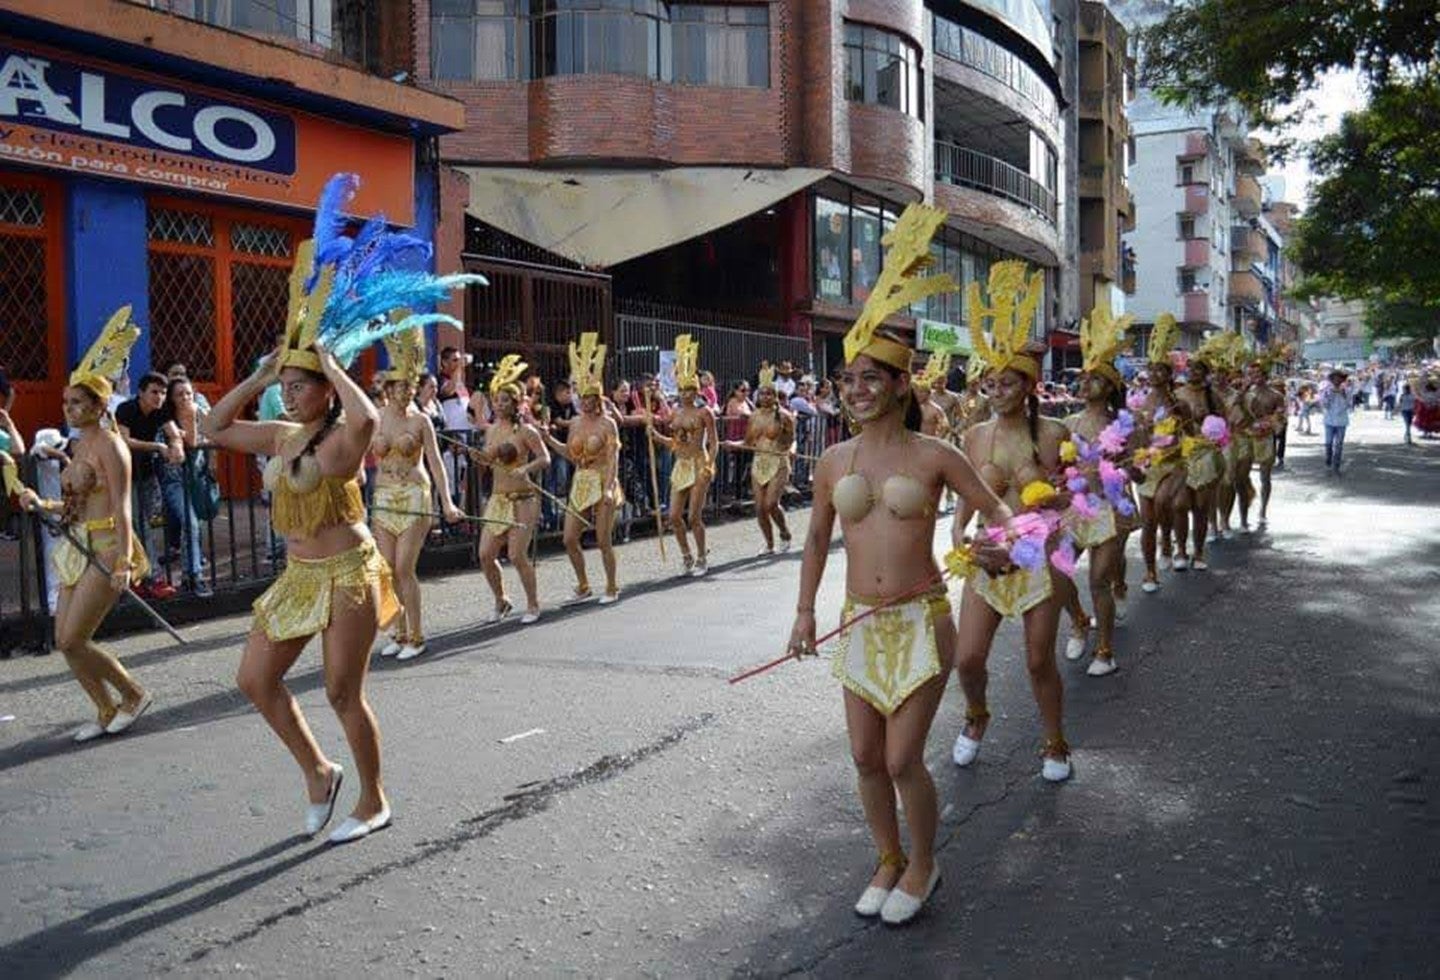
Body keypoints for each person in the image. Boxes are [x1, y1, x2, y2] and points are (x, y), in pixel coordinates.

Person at [199, 175, 477, 843]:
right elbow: (212, 427)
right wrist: (259, 377)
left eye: (302, 386)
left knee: (342, 692)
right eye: (288, 386)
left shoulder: (345, 438)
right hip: (299, 577)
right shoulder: (279, 434)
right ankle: (320, 773)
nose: (292, 395)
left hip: (350, 574)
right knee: (255, 679)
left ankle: (374, 799)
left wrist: (331, 363)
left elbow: (366, 417)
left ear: (326, 388)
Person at [786, 204, 1012, 926]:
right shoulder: (833, 460)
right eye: (846, 378)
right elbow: (816, 541)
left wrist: (995, 548)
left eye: (870, 377)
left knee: (901, 758)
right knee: (862, 755)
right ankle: (886, 857)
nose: (855, 388)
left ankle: (923, 862)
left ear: (900, 385)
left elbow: (1000, 515)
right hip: (859, 621)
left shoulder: (935, 455)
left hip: (922, 619)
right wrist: (803, 613)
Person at [950, 262, 1074, 784]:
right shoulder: (974, 436)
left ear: (1028, 385)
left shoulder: (1055, 433)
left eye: (1006, 382)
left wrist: (1051, 514)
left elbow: (1073, 499)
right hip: (988, 559)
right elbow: (967, 495)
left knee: (1038, 661)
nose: (995, 390)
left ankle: (1055, 741)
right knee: (967, 659)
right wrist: (960, 536)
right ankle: (977, 714)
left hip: (1038, 560)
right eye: (989, 382)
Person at [14, 308, 153, 741]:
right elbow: (75, 506)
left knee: (75, 637)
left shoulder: (112, 445)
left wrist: (124, 561)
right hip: (77, 545)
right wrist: (42, 502)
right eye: (66, 402)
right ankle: (106, 708)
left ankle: (133, 695)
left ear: (98, 404)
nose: (68, 409)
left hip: (109, 546)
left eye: (76, 402)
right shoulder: (78, 445)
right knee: (64, 641)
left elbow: (122, 506)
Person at [370, 330, 463, 660]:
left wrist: (447, 502)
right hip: (384, 497)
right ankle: (398, 632)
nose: (406, 392)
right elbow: (355, 452)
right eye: (400, 386)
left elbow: (436, 463)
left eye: (410, 386)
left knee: (403, 567)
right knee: (386, 568)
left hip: (413, 496)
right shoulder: (376, 418)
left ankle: (417, 636)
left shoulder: (422, 420)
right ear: (389, 388)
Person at [1059, 299, 1138, 675]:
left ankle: (1105, 651)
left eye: (1094, 378)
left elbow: (1140, 472)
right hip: (1075, 509)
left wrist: (1124, 468)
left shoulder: (1123, 425)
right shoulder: (1067, 423)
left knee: (1098, 580)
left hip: (1108, 510)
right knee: (1058, 572)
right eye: (1083, 377)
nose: (1084, 383)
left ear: (1110, 386)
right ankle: (1078, 620)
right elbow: (1056, 469)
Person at [543, 334, 624, 604]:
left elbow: (613, 458)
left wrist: (609, 488)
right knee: (569, 538)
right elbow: (571, 454)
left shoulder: (608, 424)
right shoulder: (575, 423)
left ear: (598, 397)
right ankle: (583, 584)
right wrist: (548, 439)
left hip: (603, 480)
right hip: (581, 481)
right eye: (581, 396)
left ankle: (611, 586)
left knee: (603, 540)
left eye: (589, 397)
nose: (585, 401)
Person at [470, 354, 550, 623]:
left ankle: (533, 604)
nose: (499, 404)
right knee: (485, 554)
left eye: (505, 400)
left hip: (523, 499)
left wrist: (525, 469)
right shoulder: (491, 431)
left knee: (516, 555)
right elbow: (487, 460)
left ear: (515, 403)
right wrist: (478, 457)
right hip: (498, 498)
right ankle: (501, 599)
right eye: (496, 400)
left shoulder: (527, 431)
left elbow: (545, 459)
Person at [646, 336, 717, 576]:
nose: (686, 394)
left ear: (696, 391)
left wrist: (709, 464)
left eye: (690, 389)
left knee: (694, 516)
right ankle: (686, 555)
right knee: (674, 516)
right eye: (682, 389)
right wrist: (656, 435)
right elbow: (676, 443)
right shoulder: (675, 413)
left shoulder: (705, 413)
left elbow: (714, 442)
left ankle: (702, 556)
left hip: (699, 463)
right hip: (681, 465)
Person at [114, 371, 183, 599]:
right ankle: (150, 576)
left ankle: (140, 576)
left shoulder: (160, 410)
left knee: (142, 524)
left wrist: (176, 446)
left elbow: (173, 433)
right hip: (124, 475)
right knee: (137, 524)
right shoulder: (126, 409)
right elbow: (125, 440)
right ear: (141, 392)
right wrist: (157, 447)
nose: (159, 397)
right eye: (154, 392)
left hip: (146, 474)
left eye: (163, 393)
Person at [1133, 315, 1186, 591]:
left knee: (1165, 501)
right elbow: (1133, 437)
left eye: (1160, 370)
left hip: (1174, 464)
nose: (1154, 374)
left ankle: (1168, 539)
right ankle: (1150, 572)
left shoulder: (1179, 403)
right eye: (1151, 370)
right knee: (1147, 522)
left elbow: (1191, 432)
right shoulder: (1137, 402)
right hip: (1148, 466)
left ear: (1170, 375)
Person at [725, 362, 795, 556]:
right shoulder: (754, 416)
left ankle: (784, 533)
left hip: (779, 462)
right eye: (762, 393)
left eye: (769, 394)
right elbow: (748, 442)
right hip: (759, 462)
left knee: (771, 504)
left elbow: (792, 441)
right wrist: (733, 443)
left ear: (775, 396)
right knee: (760, 508)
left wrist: (791, 450)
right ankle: (769, 544)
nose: (765, 397)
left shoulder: (785, 416)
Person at [159, 375, 210, 596]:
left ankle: (191, 574)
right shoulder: (166, 419)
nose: (186, 398)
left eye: (189, 393)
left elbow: (214, 432)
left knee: (194, 524)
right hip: (174, 480)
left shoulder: (199, 412)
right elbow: (190, 442)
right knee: (191, 524)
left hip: (195, 477)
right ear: (172, 398)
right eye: (180, 394)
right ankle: (194, 575)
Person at [1233, 354, 1286, 523]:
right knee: (1242, 476)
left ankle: (1263, 510)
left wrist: (1269, 424)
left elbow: (1281, 418)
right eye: (1251, 374)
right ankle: (1245, 511)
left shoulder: (1276, 395)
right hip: (1246, 438)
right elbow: (1235, 411)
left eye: (1258, 373)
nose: (1255, 377)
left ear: (1265, 375)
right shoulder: (1244, 393)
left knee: (1265, 477)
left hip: (1265, 438)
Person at [1319, 369, 1352, 474]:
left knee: (1339, 444)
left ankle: (1336, 465)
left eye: (1339, 378)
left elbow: (1349, 404)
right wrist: (1331, 395)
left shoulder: (1346, 390)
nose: (1337, 380)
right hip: (1329, 420)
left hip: (1342, 421)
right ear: (1332, 380)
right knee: (1328, 443)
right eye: (1335, 378)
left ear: (1342, 380)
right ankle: (1328, 459)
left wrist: (1343, 395)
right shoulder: (1326, 390)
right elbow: (1324, 404)